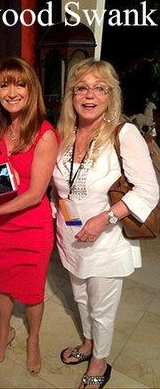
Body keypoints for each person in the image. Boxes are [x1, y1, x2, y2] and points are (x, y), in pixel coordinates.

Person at [51, 59, 159, 389]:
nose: (89, 95)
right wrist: (53, 209)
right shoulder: (66, 135)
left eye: (100, 88)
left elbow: (149, 189)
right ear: (72, 95)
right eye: (82, 87)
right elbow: (61, 185)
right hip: (70, 237)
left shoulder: (122, 133)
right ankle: (88, 344)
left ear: (111, 95)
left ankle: (100, 360)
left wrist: (105, 218)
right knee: (82, 300)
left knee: (102, 308)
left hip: (106, 241)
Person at [0, 56, 59, 377]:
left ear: (31, 89)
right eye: (5, 84)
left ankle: (33, 340)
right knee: (2, 286)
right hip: (0, 230)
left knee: (33, 291)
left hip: (31, 229)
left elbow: (36, 193)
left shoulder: (44, 134)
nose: (12, 91)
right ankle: (3, 334)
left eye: (19, 84)